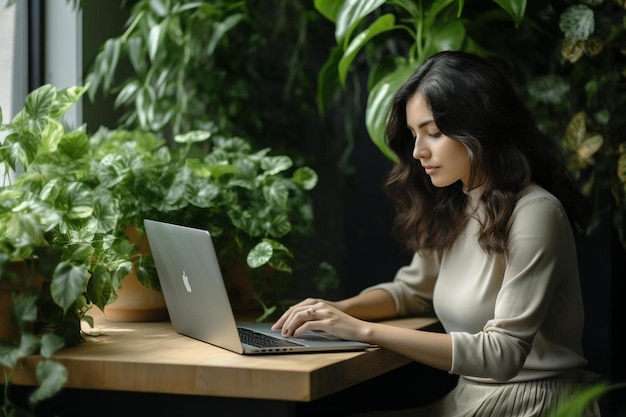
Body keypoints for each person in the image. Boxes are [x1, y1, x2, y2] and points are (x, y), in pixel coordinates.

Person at [271, 50, 601, 416]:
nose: (417, 151)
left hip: (531, 403)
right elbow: (411, 292)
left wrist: (361, 330)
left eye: (434, 133)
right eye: (414, 134)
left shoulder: (535, 212)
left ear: (481, 128)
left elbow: (502, 354)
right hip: (467, 398)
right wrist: (333, 310)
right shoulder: (458, 204)